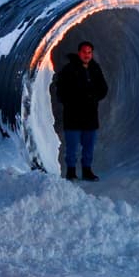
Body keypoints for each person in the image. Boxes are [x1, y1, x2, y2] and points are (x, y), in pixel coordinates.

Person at [49, 39, 108, 181]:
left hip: (90, 115)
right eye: (84, 52)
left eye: (89, 52)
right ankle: (71, 172)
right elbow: (61, 92)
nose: (87, 55)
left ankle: (87, 171)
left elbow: (103, 88)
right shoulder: (69, 70)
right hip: (73, 116)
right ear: (79, 53)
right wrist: (73, 101)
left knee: (88, 146)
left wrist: (93, 97)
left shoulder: (95, 69)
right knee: (72, 147)